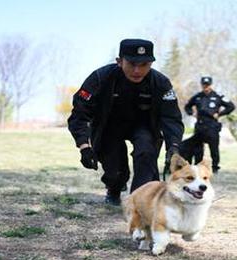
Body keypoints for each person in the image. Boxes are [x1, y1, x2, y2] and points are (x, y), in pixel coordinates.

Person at [67, 39, 183, 205]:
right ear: (119, 61)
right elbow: (79, 114)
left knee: (146, 153)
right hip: (109, 127)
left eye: (144, 64)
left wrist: (174, 146)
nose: (137, 70)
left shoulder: (160, 83)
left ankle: (138, 202)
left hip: (144, 126)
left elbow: (171, 118)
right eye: (132, 64)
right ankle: (114, 189)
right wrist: (84, 146)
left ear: (151, 63)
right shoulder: (100, 78)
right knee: (115, 171)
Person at [180, 76, 235, 173]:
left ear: (211, 85)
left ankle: (215, 167)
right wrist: (192, 113)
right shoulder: (197, 96)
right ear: (201, 85)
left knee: (214, 148)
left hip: (212, 126)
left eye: (208, 85)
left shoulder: (218, 96)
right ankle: (198, 165)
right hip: (200, 126)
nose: (206, 86)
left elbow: (231, 106)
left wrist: (220, 114)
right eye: (204, 84)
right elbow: (187, 106)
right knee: (198, 148)